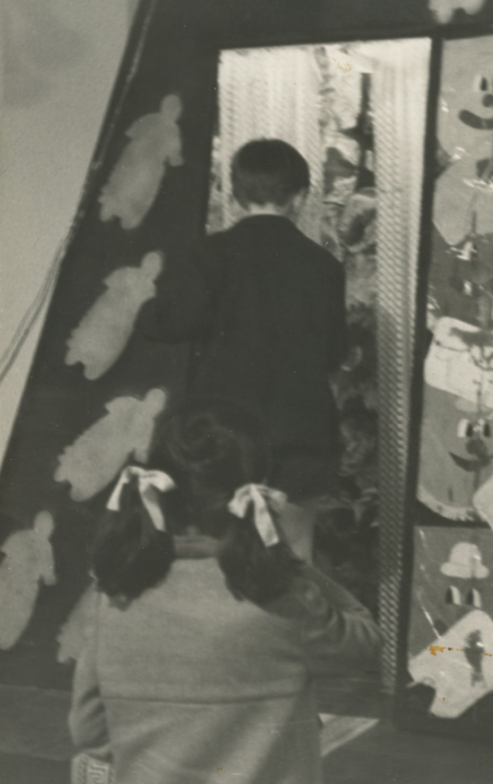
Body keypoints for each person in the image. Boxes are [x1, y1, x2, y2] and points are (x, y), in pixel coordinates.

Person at [68, 399, 381, 784]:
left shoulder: (115, 598)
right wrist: (290, 565)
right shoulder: (281, 601)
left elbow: (90, 734)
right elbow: (364, 640)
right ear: (256, 494)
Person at [137, 139, 349, 564]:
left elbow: (173, 324)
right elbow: (333, 354)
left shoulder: (208, 255)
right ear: (301, 197)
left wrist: (145, 307)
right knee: (296, 553)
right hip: (299, 436)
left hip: (225, 440)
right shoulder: (324, 266)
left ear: (234, 194)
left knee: (222, 553)